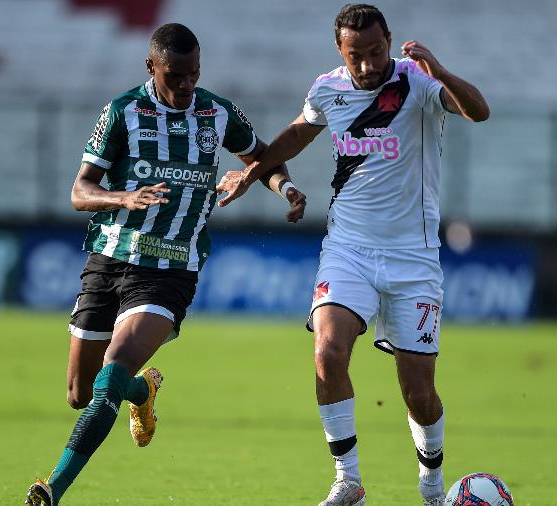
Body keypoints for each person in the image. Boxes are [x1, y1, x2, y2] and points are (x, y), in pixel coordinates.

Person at [215, 4, 489, 505]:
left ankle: (430, 481)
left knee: (418, 392)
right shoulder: (328, 89)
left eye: (375, 52)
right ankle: (349, 481)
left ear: (390, 41)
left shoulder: (419, 83)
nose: (367, 65)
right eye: (356, 55)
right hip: (349, 250)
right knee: (328, 352)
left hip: (414, 260)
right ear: (340, 52)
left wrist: (440, 70)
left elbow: (479, 110)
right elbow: (297, 134)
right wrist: (253, 175)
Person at [24, 23, 306, 506]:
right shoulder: (123, 112)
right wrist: (123, 196)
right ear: (151, 66)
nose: (186, 86)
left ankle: (53, 489)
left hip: (171, 268)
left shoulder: (217, 112)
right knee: (81, 392)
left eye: (194, 74)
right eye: (176, 75)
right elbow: (79, 191)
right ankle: (143, 394)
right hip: (109, 257)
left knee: (110, 374)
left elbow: (263, 158)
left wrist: (285, 188)